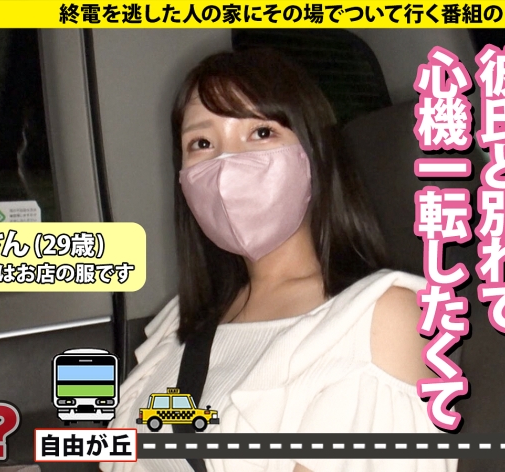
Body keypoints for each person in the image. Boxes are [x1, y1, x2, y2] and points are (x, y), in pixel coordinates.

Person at [101, 49, 457, 472]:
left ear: (315, 153)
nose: (226, 165)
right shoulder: (185, 319)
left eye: (261, 132)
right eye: (202, 143)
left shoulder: (380, 319)